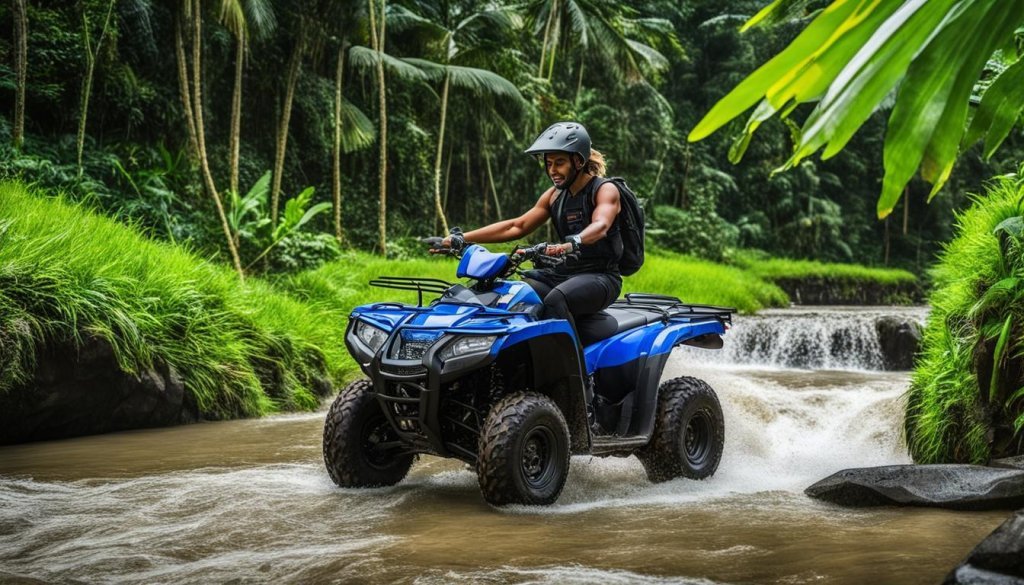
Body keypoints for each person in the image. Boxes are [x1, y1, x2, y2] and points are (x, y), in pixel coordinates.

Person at [441, 121, 624, 341]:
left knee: (556, 300)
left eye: (559, 163)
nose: (552, 170)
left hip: (601, 277)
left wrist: (571, 243)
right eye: (548, 164)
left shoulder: (604, 189)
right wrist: (460, 239)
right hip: (564, 275)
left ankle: (572, 373)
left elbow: (601, 225)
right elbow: (517, 226)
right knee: (513, 292)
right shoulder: (554, 196)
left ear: (578, 161)